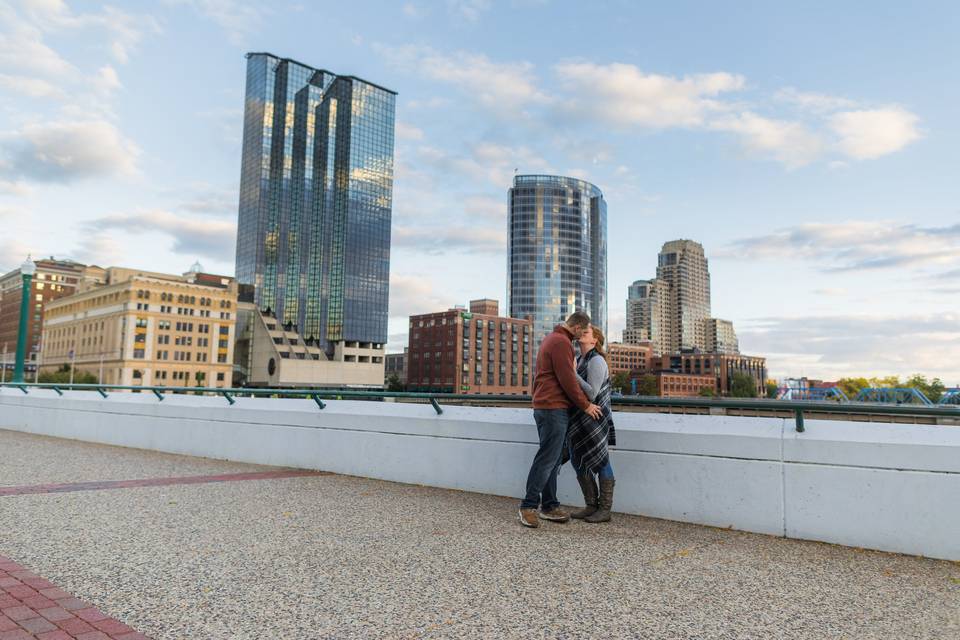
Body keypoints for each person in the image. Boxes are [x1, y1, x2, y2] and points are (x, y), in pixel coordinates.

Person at [519, 311, 602, 529]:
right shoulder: (561, 343)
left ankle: (549, 505)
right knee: (547, 458)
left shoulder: (552, 339)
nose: (581, 335)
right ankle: (528, 506)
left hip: (547, 406)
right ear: (576, 328)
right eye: (582, 331)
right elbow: (567, 379)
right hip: (552, 407)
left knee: (553, 459)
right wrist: (586, 405)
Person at [568, 326, 616, 523]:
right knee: (576, 458)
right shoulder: (580, 360)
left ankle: (605, 510)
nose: (581, 334)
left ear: (594, 341)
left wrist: (572, 373)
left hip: (595, 418)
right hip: (580, 418)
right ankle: (591, 505)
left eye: (586, 333)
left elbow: (591, 394)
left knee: (601, 460)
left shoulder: (596, 360)